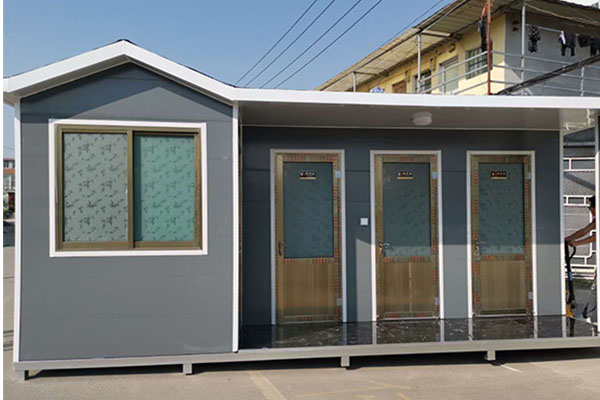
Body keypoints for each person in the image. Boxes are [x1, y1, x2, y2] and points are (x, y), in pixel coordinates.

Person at [565, 196, 597, 321]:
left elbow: (596, 237)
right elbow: (584, 231)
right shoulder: (596, 220)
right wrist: (568, 239)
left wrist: (577, 243)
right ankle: (588, 314)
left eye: (590, 207)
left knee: (596, 288)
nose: (589, 209)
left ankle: (588, 315)